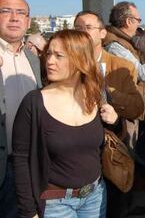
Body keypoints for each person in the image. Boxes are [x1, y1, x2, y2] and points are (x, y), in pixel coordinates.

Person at [12, 30, 118, 218]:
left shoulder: (95, 95)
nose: (50, 61)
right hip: (55, 204)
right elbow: (21, 160)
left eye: (59, 56)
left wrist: (115, 120)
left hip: (96, 196)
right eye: (49, 54)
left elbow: (105, 140)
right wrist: (29, 212)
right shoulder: (34, 102)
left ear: (81, 60)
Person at [74, 10, 145, 218]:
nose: (82, 32)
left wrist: (108, 93)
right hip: (75, 153)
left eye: (88, 28)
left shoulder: (122, 66)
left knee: (114, 207)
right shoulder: (67, 64)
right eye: (78, 28)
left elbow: (137, 107)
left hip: (110, 151)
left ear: (102, 33)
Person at [0, 0, 42, 218]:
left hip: (25, 164)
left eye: (21, 13)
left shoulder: (32, 58)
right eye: (6, 11)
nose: (14, 18)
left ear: (28, 21)